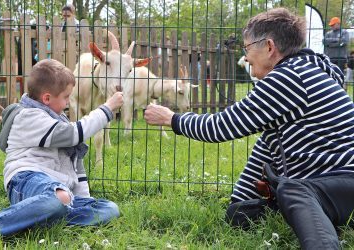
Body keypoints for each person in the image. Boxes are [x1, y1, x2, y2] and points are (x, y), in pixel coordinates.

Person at [144, 8, 354, 250]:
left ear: (269, 46)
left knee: (293, 189)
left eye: (247, 48)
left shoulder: (288, 78)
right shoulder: (304, 71)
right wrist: (239, 203)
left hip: (340, 183)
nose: (245, 56)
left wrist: (172, 119)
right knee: (246, 210)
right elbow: (266, 147)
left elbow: (221, 127)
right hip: (334, 187)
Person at [0, 59, 122, 248]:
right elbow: (74, 134)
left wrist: (85, 199)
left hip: (58, 191)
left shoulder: (57, 118)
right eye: (66, 97)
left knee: (108, 209)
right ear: (47, 98)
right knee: (58, 198)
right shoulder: (30, 117)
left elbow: (76, 164)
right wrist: (107, 109)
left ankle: (22, 220)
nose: (68, 103)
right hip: (27, 180)